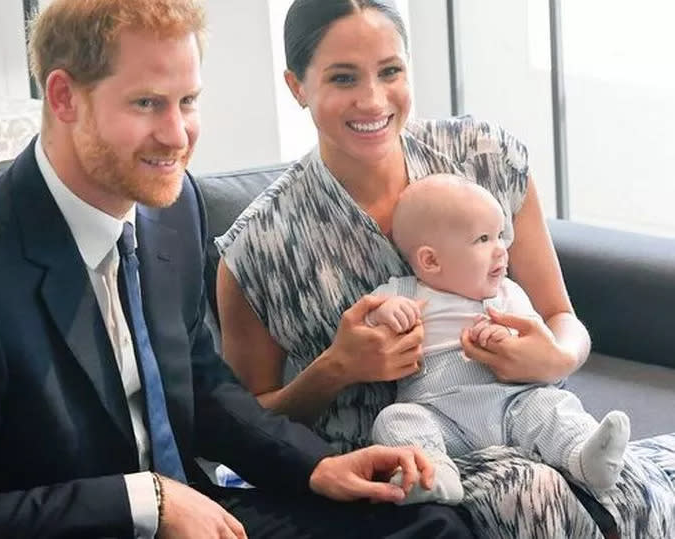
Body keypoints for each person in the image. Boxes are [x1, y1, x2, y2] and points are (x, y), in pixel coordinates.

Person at [0, 0, 477, 537]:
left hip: (199, 508)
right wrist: (146, 501)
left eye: (187, 101)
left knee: (430, 523)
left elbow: (201, 383)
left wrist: (315, 465)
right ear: (63, 98)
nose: (176, 134)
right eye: (146, 103)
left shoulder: (170, 208)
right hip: (100, 523)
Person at [213, 0, 625, 535]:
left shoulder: (485, 158)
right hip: (400, 474)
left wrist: (555, 357)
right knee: (533, 493)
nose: (373, 99)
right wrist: (337, 367)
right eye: (343, 78)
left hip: (533, 422)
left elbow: (560, 314)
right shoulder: (258, 248)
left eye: (391, 71)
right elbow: (247, 431)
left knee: (626, 482)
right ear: (297, 87)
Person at [363, 174, 629, 505]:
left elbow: (537, 342)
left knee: (550, 407)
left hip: (512, 407)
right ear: (430, 261)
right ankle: (434, 474)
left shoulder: (508, 294)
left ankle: (585, 457)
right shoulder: (404, 293)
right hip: (439, 415)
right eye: (483, 239)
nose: (501, 249)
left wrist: (507, 339)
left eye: (501, 235)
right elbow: (364, 319)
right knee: (395, 420)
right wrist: (386, 314)